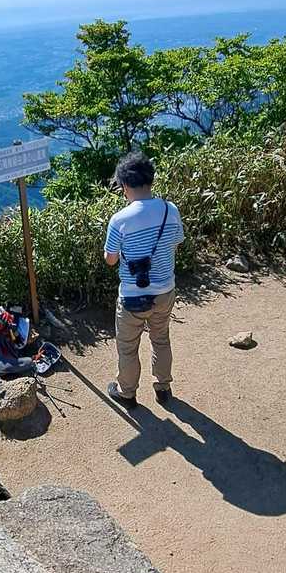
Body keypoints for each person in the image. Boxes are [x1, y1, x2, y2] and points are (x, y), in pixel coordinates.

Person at [103, 149, 185, 409]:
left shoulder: (120, 220)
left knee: (127, 347)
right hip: (165, 291)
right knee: (161, 339)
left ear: (125, 186)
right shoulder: (170, 210)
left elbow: (110, 260)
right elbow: (176, 242)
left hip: (132, 297)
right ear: (150, 180)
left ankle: (127, 393)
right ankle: (163, 388)